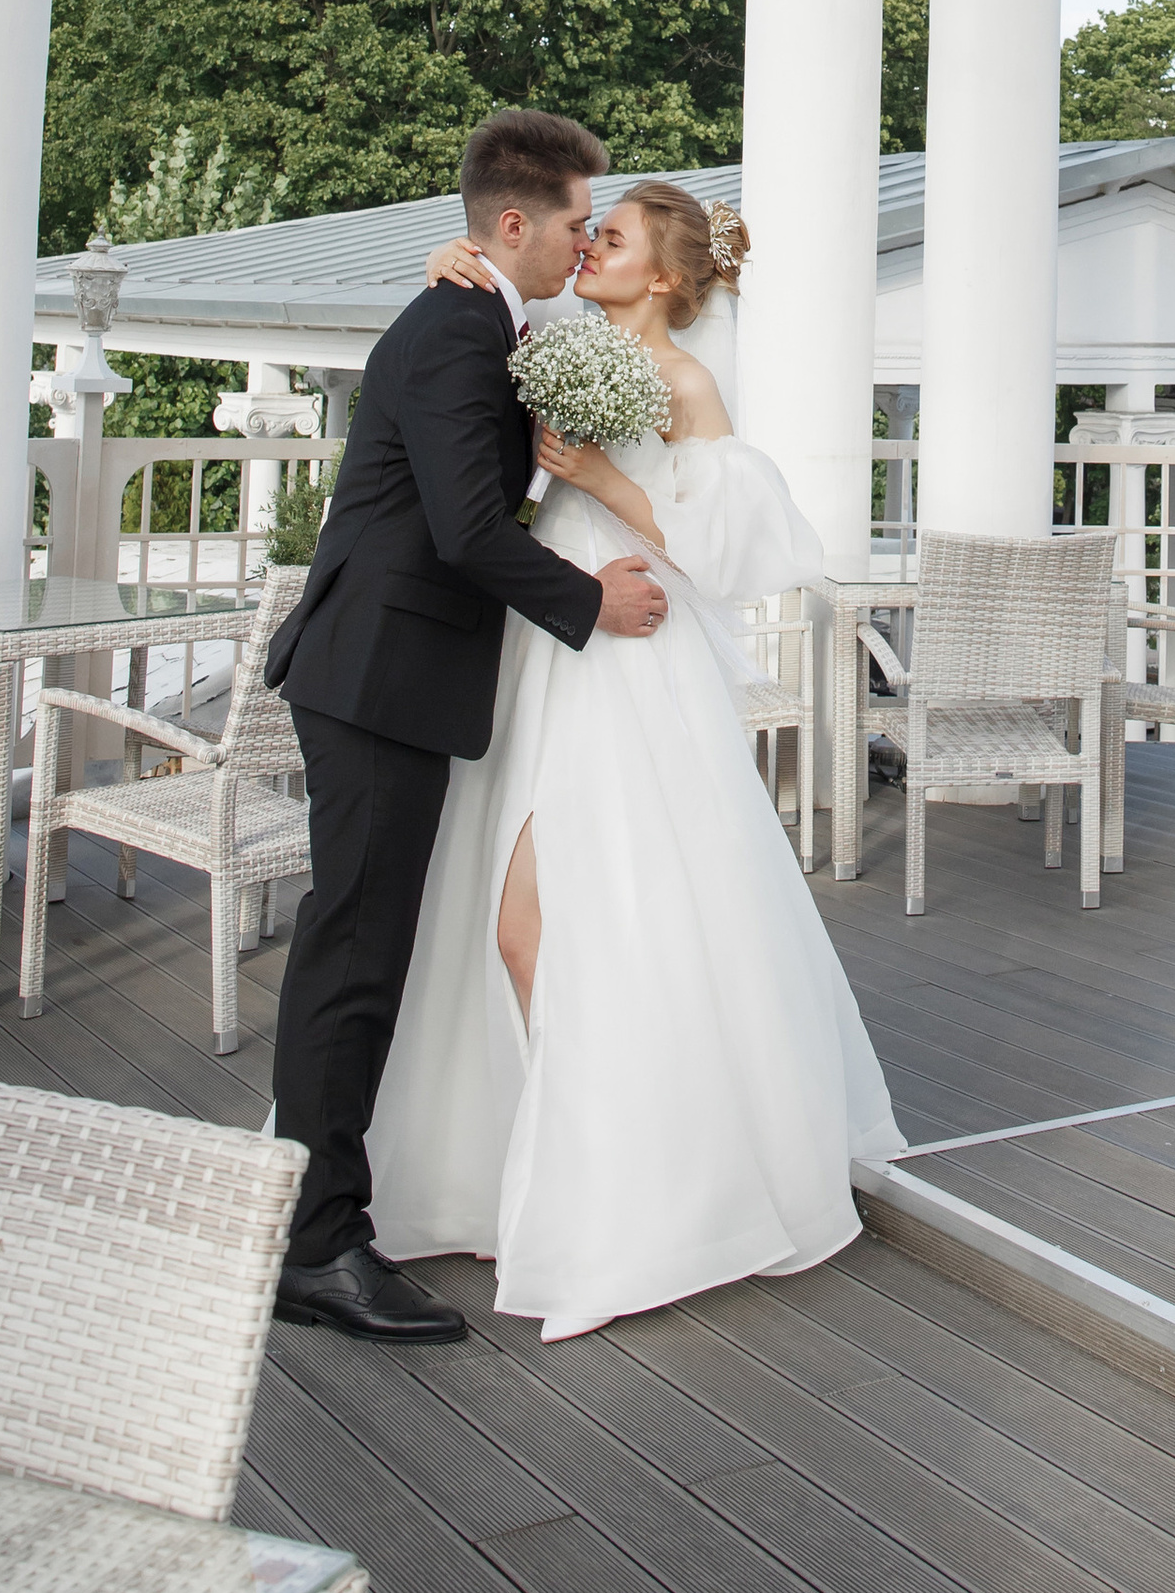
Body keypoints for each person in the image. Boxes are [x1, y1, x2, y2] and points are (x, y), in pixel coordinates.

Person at [365, 177, 901, 1339]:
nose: (587, 243)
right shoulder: (546, 334)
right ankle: (534, 1167)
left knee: (600, 917)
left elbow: (718, 547)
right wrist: (445, 260)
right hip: (536, 644)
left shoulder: (687, 382)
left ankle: (628, 1184)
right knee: (509, 923)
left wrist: (604, 478)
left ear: (661, 276)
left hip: (630, 660)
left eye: (609, 238)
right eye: (587, 231)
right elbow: (484, 304)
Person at [264, 107, 668, 1343]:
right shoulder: (454, 330)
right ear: (510, 225)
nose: (582, 242)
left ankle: (313, 1221)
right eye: (572, 224)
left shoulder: (478, 317)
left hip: (387, 676)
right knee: (353, 959)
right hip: (378, 678)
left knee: (360, 950)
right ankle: (316, 1247)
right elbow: (463, 532)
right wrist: (589, 604)